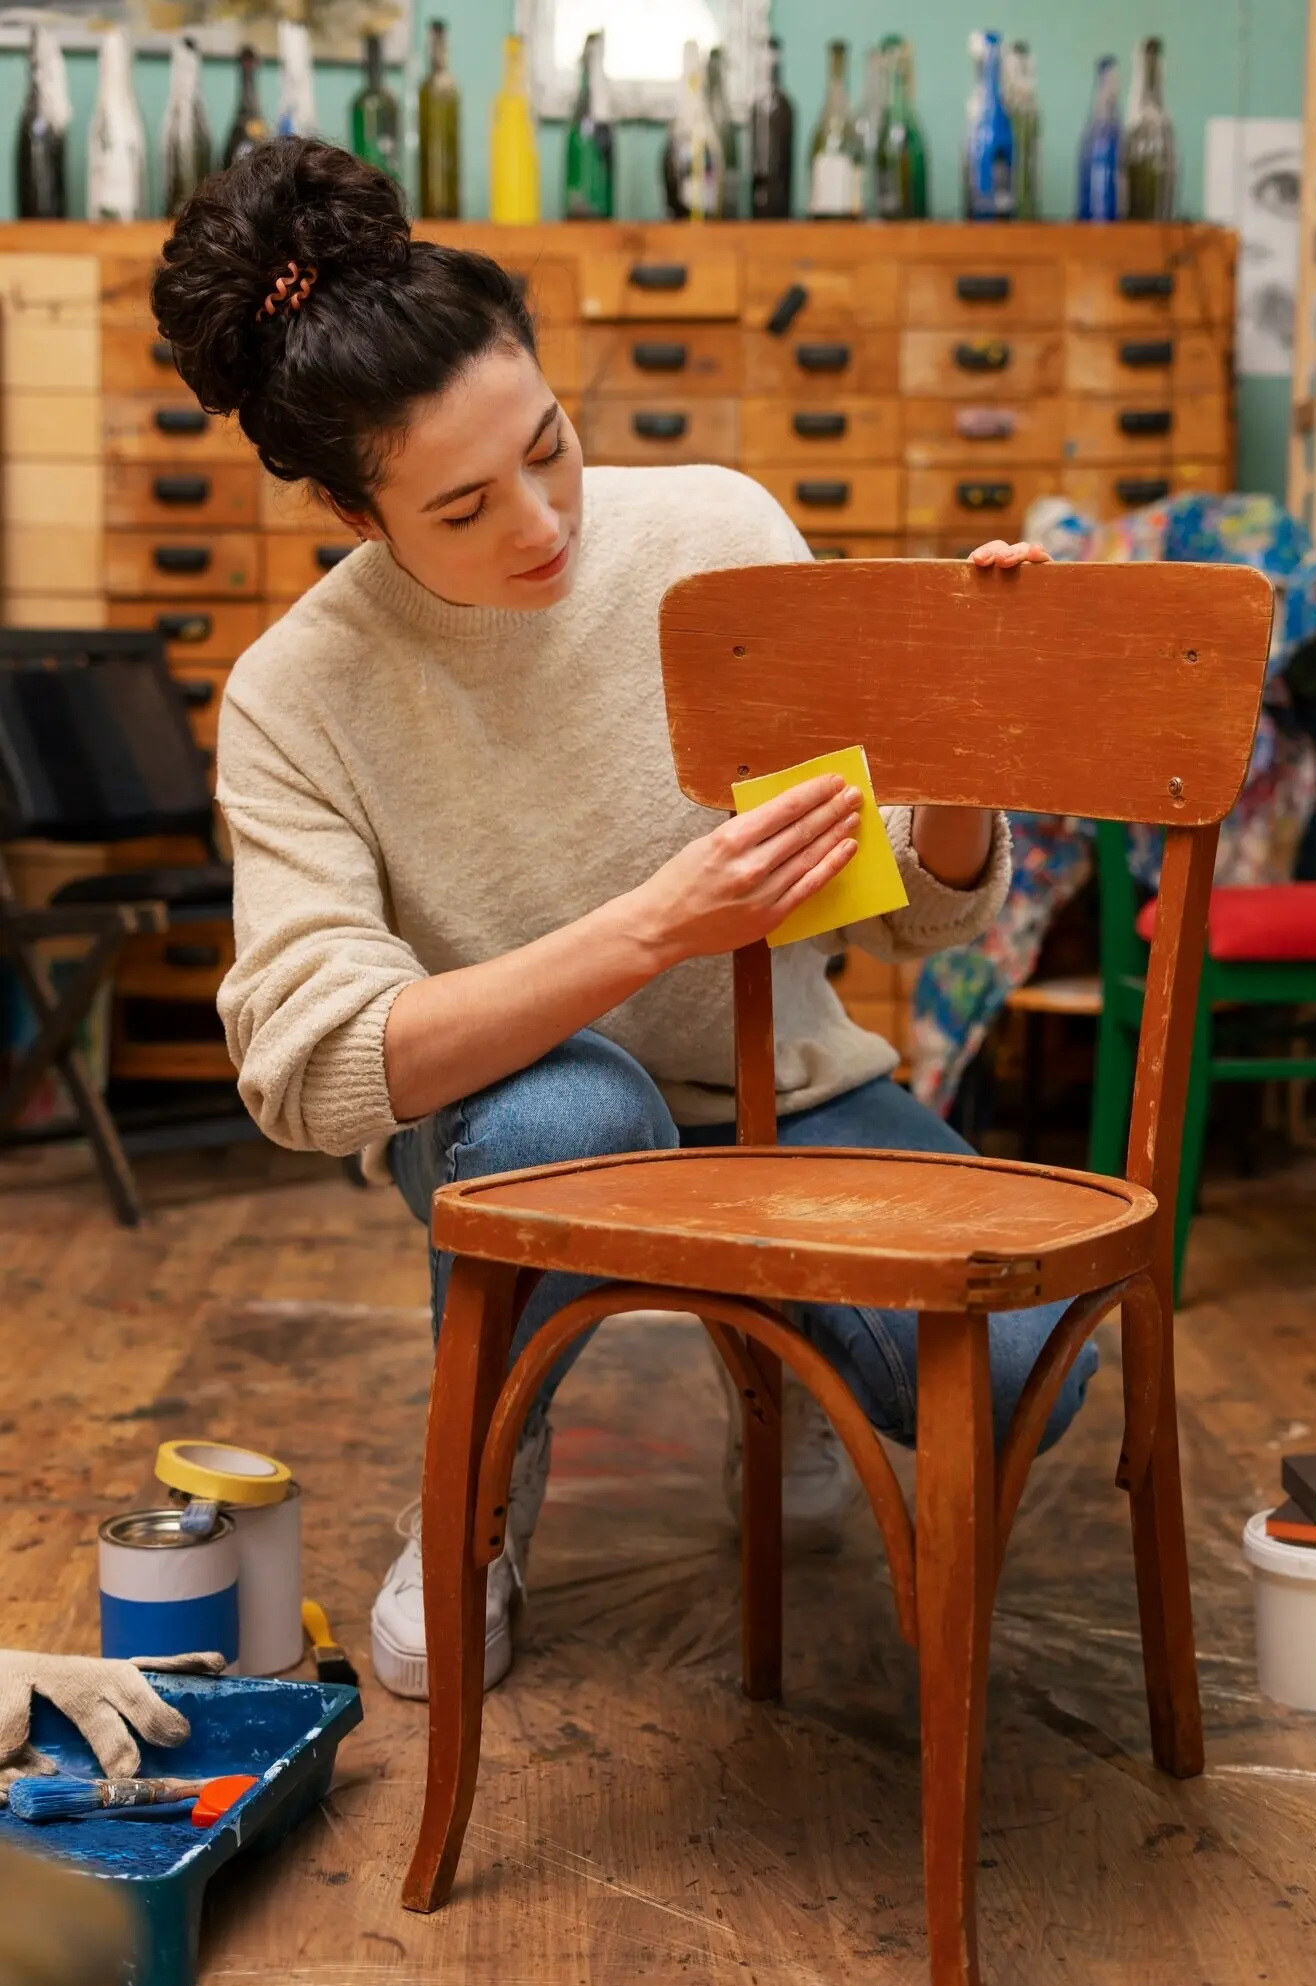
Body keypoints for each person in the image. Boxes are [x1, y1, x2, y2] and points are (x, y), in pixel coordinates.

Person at [152, 138, 1092, 1700]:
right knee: (567, 1110)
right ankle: (477, 1493)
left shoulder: (716, 533)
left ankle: (785, 1385)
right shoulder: (296, 697)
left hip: (795, 1100)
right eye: (462, 506)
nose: (540, 524)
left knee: (1019, 1371)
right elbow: (318, 1071)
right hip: (532, 1118)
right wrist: (651, 927)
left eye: (552, 447)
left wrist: (960, 757)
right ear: (344, 509)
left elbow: (908, 919)